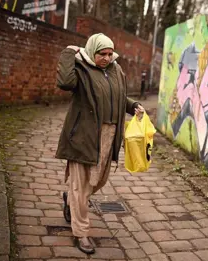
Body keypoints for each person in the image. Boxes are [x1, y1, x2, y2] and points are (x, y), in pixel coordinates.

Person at [55, 33, 144, 254]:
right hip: (84, 136)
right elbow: (65, 83)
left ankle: (71, 201)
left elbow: (119, 96)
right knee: (80, 185)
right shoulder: (81, 69)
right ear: (92, 51)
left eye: (109, 53)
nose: (106, 57)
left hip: (109, 135)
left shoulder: (116, 70)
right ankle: (81, 233)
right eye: (101, 54)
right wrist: (68, 53)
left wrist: (133, 106)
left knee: (99, 180)